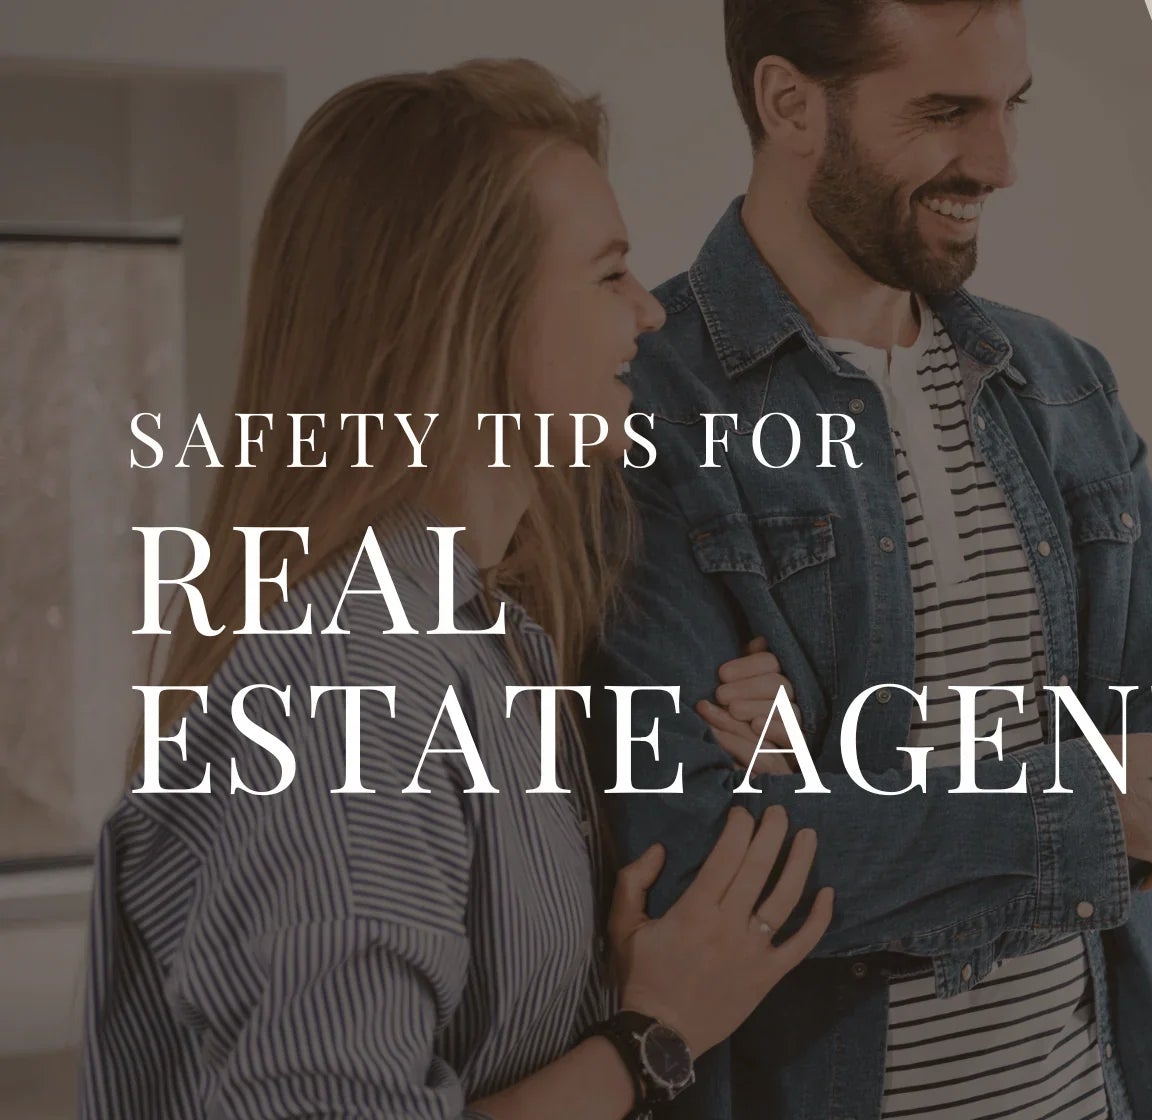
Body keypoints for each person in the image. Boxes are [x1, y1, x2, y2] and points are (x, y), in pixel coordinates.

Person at [79, 60, 831, 1120]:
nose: (647, 317)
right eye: (607, 273)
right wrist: (649, 1039)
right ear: (470, 313)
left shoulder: (488, 634)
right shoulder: (353, 689)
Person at [587, 1, 1152, 1117]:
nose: (997, 163)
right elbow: (692, 859)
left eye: (1007, 107)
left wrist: (832, 783)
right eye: (945, 112)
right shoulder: (645, 406)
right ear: (789, 103)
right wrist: (1076, 814)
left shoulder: (1062, 383)